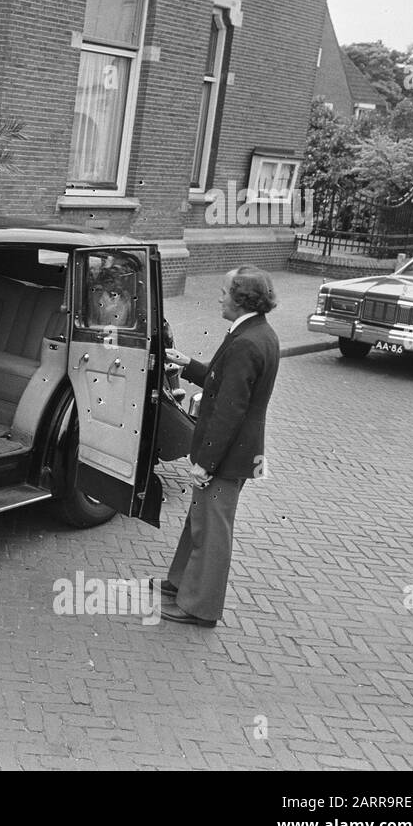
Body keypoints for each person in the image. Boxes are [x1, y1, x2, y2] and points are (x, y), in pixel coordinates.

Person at [162, 266, 280, 627]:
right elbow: (223, 380)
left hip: (226, 456)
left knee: (212, 530)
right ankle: (180, 583)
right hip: (236, 452)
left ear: (241, 298)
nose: (219, 297)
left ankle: (200, 607)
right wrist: (189, 365)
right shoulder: (256, 332)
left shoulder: (245, 342)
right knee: (200, 520)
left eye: (224, 291)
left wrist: (205, 463)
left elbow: (229, 410)